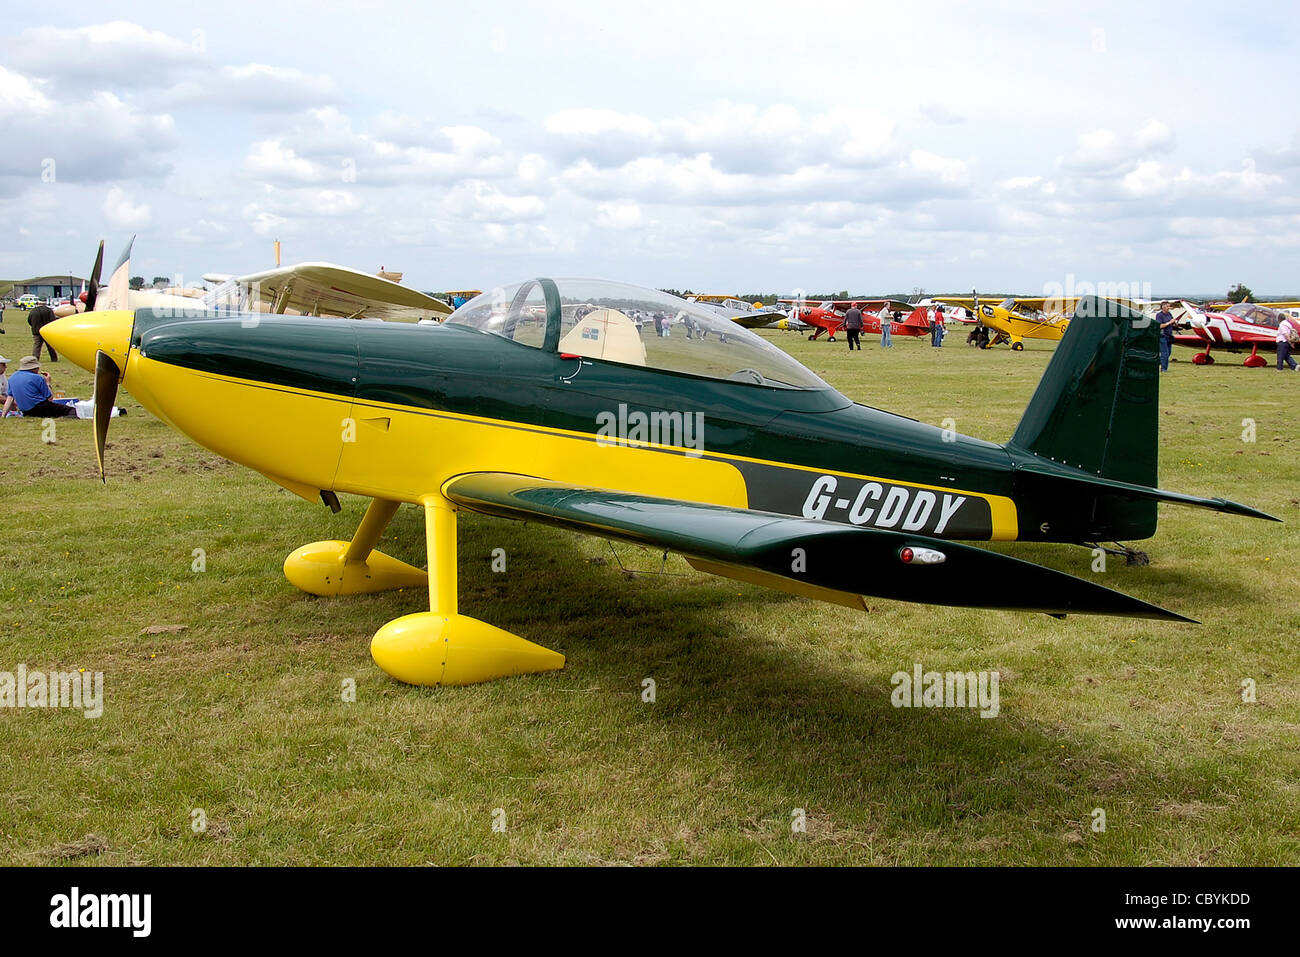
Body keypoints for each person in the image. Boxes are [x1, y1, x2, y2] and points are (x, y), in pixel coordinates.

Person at [4, 356, 76, 417]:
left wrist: (4, 414)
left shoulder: (12, 377)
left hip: (25, 412)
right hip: (40, 408)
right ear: (34, 368)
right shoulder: (37, 378)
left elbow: (10, 398)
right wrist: (48, 382)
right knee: (71, 410)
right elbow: (50, 398)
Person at [1155, 301, 1177, 372]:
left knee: (1169, 352)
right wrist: (1169, 322)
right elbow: (1160, 326)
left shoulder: (1169, 314)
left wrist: (1174, 323)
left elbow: (1172, 322)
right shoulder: (1159, 315)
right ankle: (1164, 368)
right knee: (1165, 353)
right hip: (1162, 336)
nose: (1169, 308)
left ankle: (1157, 363)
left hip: (1169, 336)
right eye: (1167, 306)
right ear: (1163, 307)